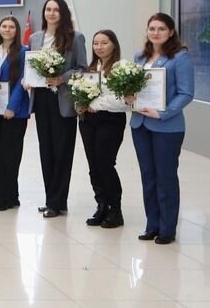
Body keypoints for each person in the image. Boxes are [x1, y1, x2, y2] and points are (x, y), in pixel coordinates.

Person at [129, 13, 194, 245]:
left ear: (171, 32)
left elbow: (186, 93)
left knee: (165, 177)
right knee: (148, 176)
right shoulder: (140, 56)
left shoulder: (179, 57)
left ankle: (167, 228)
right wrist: (129, 97)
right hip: (140, 124)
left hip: (167, 127)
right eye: (152, 28)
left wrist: (162, 113)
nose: (155, 33)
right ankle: (152, 225)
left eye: (161, 29)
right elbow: (133, 85)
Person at [27, 0, 87, 218]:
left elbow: (82, 68)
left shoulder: (75, 37)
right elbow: (31, 67)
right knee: (46, 150)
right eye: (48, 9)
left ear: (63, 14)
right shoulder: (35, 38)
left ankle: (58, 201)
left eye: (56, 10)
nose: (51, 13)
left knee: (62, 151)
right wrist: (28, 80)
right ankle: (51, 199)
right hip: (42, 99)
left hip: (63, 100)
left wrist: (62, 79)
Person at [79, 29, 128, 228]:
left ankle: (116, 209)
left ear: (114, 45)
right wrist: (80, 103)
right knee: (93, 165)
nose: (99, 47)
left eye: (104, 43)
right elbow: (82, 94)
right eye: (96, 43)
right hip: (88, 121)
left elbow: (124, 100)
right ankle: (101, 205)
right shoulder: (91, 68)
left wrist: (96, 103)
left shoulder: (121, 67)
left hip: (111, 120)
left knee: (105, 164)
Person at [0, 16, 30, 212]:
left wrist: (12, 107)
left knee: (9, 156)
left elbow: (22, 81)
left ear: (17, 30)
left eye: (12, 27)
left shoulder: (23, 52)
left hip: (14, 112)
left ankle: (2, 198)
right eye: (4, 26)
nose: (7, 29)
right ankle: (12, 196)